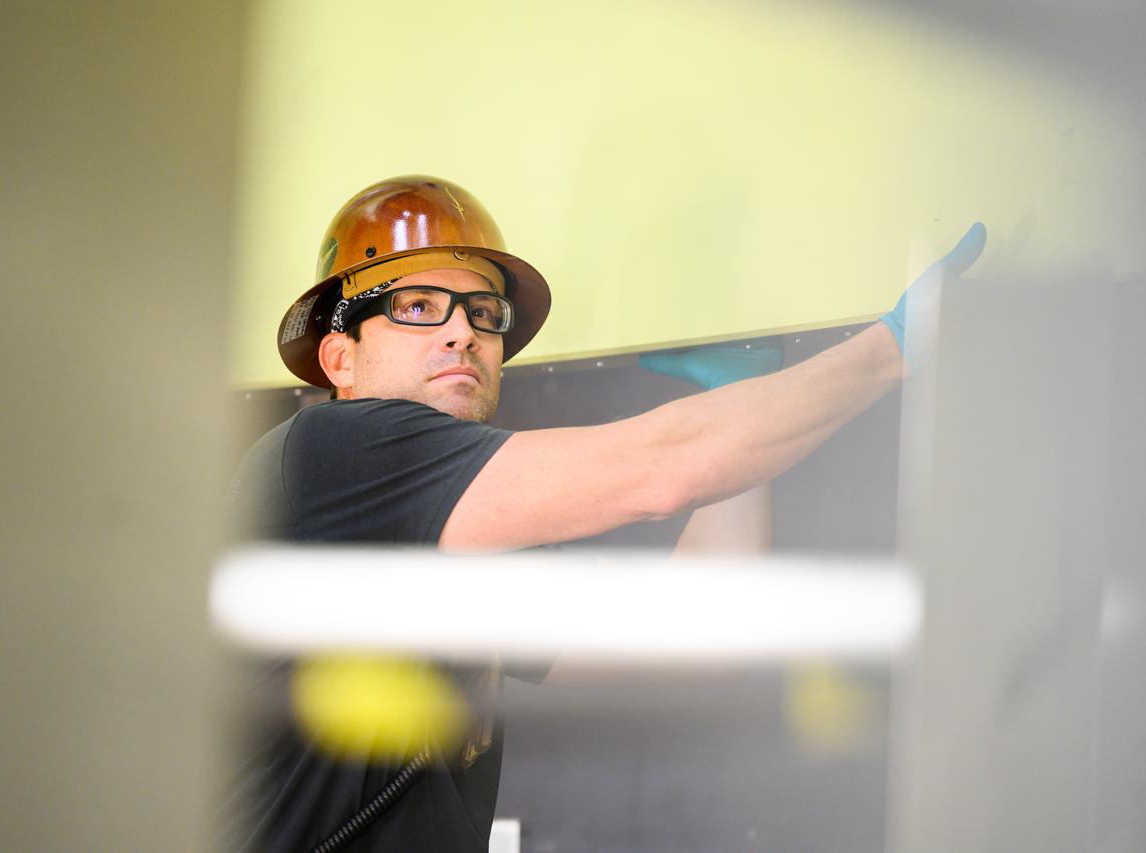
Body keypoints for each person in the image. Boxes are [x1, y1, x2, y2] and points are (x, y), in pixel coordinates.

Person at [225, 174, 985, 851]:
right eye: (417, 306)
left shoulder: (462, 541)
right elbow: (659, 472)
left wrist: (735, 431)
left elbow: (702, 624)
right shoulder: (332, 454)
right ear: (340, 359)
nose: (463, 331)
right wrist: (893, 350)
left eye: (482, 311)